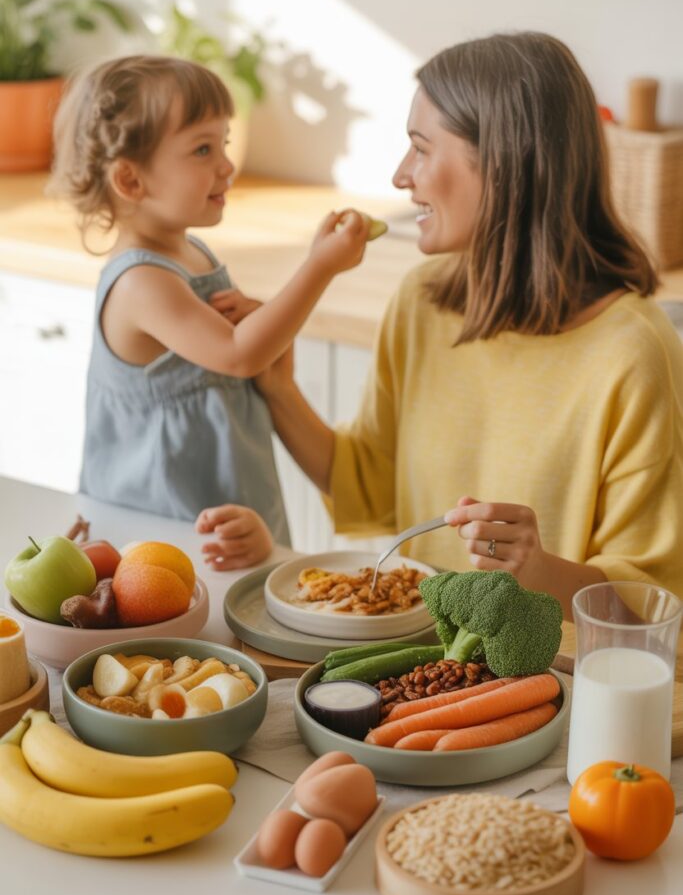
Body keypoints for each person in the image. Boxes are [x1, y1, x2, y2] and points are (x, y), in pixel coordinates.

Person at [255, 31, 683, 616]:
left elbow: (653, 607)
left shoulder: (634, 352)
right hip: (418, 657)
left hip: (553, 669)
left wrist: (537, 571)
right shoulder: (421, 301)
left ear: (504, 166)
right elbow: (370, 485)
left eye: (421, 149)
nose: (401, 176)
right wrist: (277, 388)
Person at [50, 55, 372, 569]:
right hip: (159, 535)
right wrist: (321, 266)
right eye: (203, 149)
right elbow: (239, 355)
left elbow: (240, 346)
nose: (226, 165)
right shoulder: (140, 281)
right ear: (130, 180)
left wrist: (257, 317)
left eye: (224, 142)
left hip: (226, 512)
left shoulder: (192, 253)